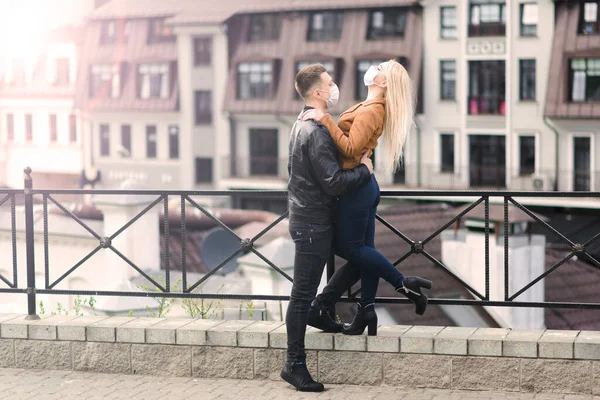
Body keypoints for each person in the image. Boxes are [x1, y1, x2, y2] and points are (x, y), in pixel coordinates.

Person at [302, 60, 433, 337]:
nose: (374, 68)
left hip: (357, 189)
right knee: (365, 252)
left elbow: (350, 147)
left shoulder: (373, 110)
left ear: (383, 82)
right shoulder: (369, 106)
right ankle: (366, 309)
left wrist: (323, 118)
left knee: (348, 248)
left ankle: (402, 282)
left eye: (380, 67)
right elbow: (355, 145)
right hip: (362, 185)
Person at [281, 64, 374, 392]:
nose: (335, 88)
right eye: (330, 83)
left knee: (362, 257)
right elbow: (334, 182)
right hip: (312, 223)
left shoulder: (302, 122)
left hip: (314, 218)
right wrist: (364, 170)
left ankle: (322, 308)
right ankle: (294, 365)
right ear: (318, 92)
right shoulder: (315, 130)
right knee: (301, 293)